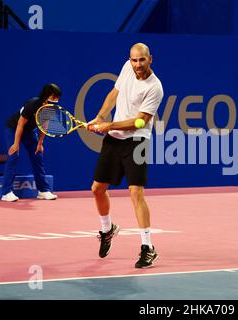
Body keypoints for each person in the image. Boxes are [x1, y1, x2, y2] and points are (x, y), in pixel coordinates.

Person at [87, 43, 164, 268]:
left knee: (135, 192)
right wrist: (100, 116)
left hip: (137, 141)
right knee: (97, 189)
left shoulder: (155, 87)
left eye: (141, 60)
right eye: (134, 60)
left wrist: (108, 125)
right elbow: (115, 93)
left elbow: (139, 121)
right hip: (114, 138)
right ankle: (107, 229)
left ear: (151, 58)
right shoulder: (126, 68)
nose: (137, 64)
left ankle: (148, 247)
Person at [1, 84, 61, 202]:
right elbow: (20, 124)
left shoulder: (49, 108)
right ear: (46, 95)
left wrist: (40, 143)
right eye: (53, 97)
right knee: (14, 155)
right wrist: (15, 144)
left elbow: (44, 126)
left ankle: (43, 190)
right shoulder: (32, 104)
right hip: (14, 128)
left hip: (29, 131)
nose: (56, 100)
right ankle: (6, 192)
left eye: (57, 98)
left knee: (37, 155)